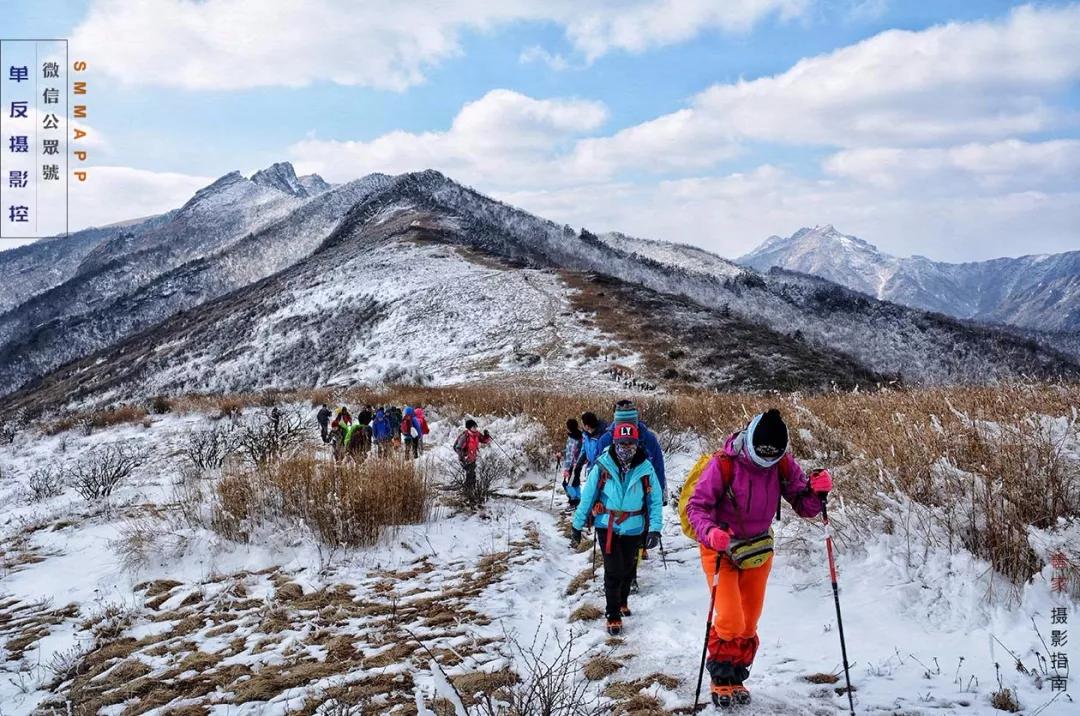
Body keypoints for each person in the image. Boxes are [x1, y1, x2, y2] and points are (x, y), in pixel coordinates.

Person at [686, 409, 832, 708]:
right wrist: (711, 531)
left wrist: (817, 494)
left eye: (774, 454)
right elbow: (696, 507)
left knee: (748, 623)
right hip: (719, 549)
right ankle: (719, 676)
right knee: (729, 619)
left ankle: (736, 676)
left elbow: (803, 506)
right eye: (762, 452)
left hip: (756, 551)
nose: (767, 458)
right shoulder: (723, 464)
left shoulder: (782, 464)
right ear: (751, 441)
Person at [570, 422, 662, 636]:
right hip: (606, 525)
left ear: (637, 444)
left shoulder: (646, 468)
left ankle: (622, 601)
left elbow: (655, 500)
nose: (626, 448)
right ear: (615, 442)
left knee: (629, 567)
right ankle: (612, 614)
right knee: (613, 570)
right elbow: (587, 497)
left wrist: (655, 529)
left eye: (630, 444)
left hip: (634, 527)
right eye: (622, 443)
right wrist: (576, 525)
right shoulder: (602, 465)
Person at [596, 400, 666, 497]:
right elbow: (598, 469)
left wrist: (659, 492)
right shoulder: (606, 440)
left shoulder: (647, 438)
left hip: (638, 495)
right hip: (615, 497)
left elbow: (658, 467)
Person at [453, 419, 492, 505]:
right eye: (474, 426)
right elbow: (458, 448)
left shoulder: (477, 434)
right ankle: (468, 493)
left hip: (473, 458)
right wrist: (463, 457)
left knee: (472, 475)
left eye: (476, 426)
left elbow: (484, 441)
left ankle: (471, 492)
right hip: (466, 459)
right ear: (469, 428)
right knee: (470, 475)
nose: (475, 428)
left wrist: (486, 435)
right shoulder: (465, 436)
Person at [574, 411, 609, 478]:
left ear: (587, 426)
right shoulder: (586, 435)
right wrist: (579, 464)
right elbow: (584, 450)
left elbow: (601, 456)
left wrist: (593, 471)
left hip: (601, 470)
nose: (581, 426)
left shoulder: (602, 437)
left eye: (582, 424)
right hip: (591, 468)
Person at [560, 418, 584, 514]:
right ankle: (579, 501)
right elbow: (569, 451)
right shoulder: (580, 436)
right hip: (578, 464)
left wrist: (566, 468)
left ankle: (574, 503)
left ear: (569, 428)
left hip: (572, 466)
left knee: (568, 484)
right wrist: (562, 453)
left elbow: (570, 454)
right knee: (575, 483)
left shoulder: (573, 438)